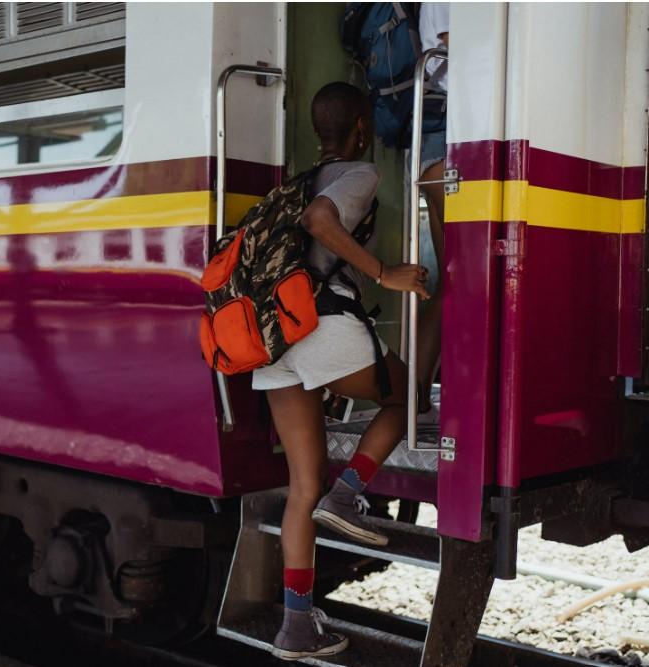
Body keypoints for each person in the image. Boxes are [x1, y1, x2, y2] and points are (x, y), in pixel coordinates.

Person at [254, 82, 430, 660]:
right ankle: (349, 492)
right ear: (360, 125)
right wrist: (385, 273)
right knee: (407, 399)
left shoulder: (296, 179)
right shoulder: (358, 174)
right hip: (321, 328)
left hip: (274, 341)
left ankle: (296, 628)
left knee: (302, 486)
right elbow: (320, 222)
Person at [416, 2, 449, 414]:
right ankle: (419, 391)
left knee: (453, 285)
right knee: (461, 282)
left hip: (438, 144)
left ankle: (418, 392)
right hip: (447, 141)